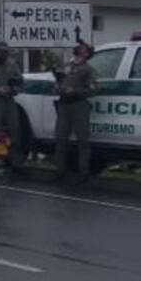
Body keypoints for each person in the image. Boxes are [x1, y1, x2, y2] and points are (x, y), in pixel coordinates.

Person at [52, 41, 97, 183]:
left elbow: (93, 89)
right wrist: (58, 87)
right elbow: (58, 82)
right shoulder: (67, 66)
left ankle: (83, 173)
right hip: (64, 105)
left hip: (79, 105)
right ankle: (59, 171)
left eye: (83, 48)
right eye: (79, 47)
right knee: (60, 138)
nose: (79, 49)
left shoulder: (88, 69)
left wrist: (75, 91)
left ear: (87, 53)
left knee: (83, 140)